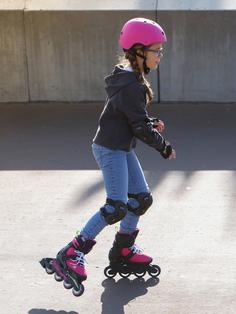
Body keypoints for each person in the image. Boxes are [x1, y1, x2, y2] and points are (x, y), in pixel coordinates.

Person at [47, 17, 176, 290]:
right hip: (110, 149)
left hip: (120, 145)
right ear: (139, 50)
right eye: (157, 50)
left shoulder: (131, 78)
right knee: (116, 206)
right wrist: (163, 146)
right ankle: (72, 252)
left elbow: (131, 118)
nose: (160, 56)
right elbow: (138, 127)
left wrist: (149, 123)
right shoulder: (131, 84)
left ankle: (123, 251)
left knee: (140, 199)